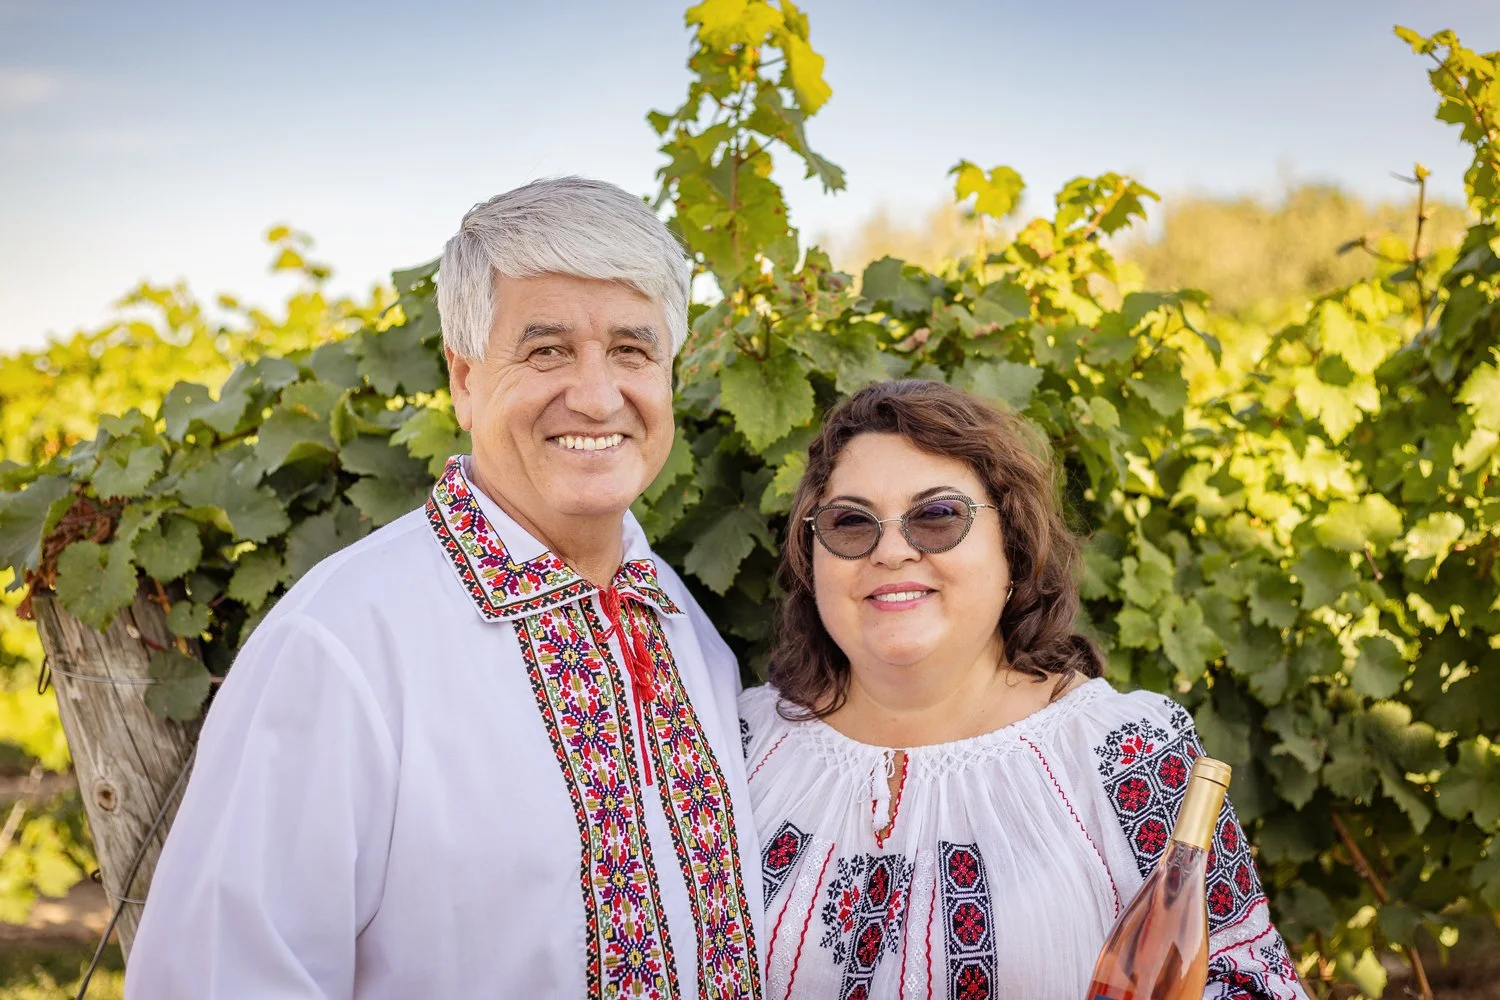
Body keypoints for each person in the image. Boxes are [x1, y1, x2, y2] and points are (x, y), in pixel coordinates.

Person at [127, 177, 764, 998]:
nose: (600, 395)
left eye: (633, 351)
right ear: (464, 379)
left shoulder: (685, 630)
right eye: (547, 350)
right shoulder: (342, 644)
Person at [739, 379, 1308, 1000]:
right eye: (851, 523)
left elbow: (1252, 983)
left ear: (1012, 548)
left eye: (937, 516)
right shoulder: (736, 747)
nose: (892, 551)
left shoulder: (1127, 756)